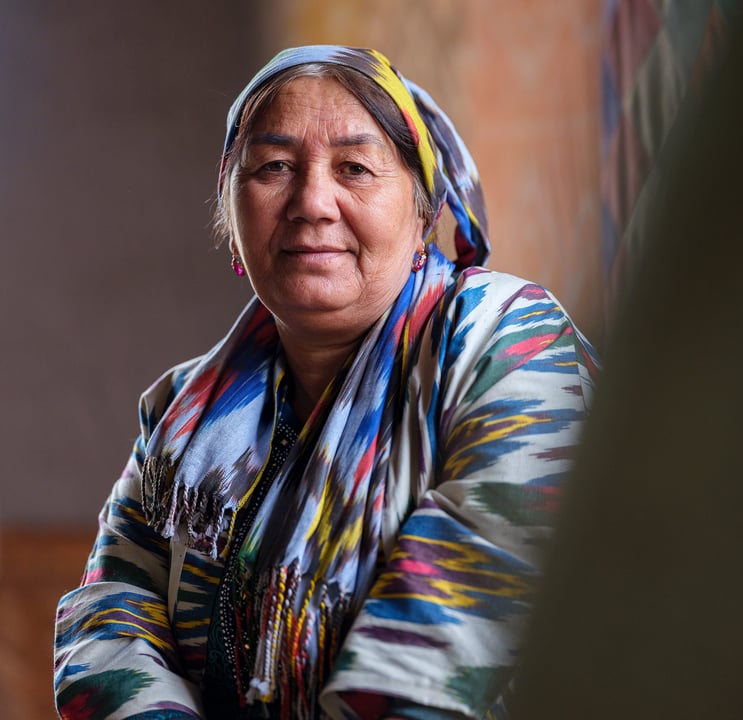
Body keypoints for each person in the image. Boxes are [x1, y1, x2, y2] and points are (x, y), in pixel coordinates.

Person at [53, 45, 598, 720]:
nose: (313, 202)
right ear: (230, 215)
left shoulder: (505, 344)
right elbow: (110, 619)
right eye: (274, 166)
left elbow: (448, 646)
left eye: (355, 168)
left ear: (423, 212)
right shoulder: (181, 410)